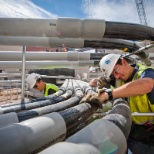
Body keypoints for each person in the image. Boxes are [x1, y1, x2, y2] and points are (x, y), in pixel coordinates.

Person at [82, 53, 154, 154]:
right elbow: (93, 83)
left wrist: (109, 94)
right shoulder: (117, 79)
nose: (117, 76)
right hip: (134, 132)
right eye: (112, 74)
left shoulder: (146, 72)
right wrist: (97, 82)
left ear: (124, 62)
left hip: (150, 133)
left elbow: (147, 85)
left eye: (116, 70)